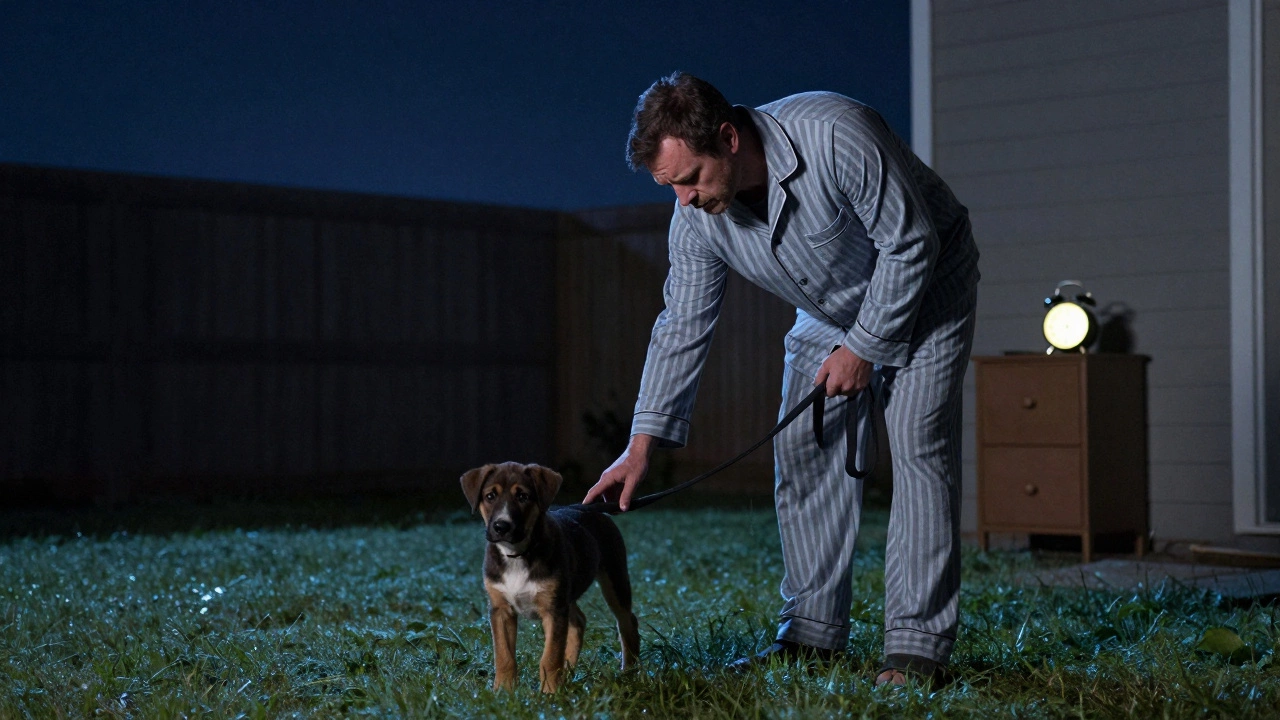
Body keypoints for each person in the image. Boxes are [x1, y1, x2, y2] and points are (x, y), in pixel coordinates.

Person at [582, 72, 979, 686]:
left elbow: (910, 245)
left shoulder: (837, 133)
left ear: (728, 138)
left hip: (927, 284)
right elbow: (681, 324)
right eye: (670, 187)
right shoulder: (695, 217)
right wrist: (641, 446)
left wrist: (864, 346)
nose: (684, 200)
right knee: (801, 448)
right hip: (830, 309)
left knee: (918, 443)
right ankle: (812, 635)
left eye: (691, 178)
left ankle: (915, 650)